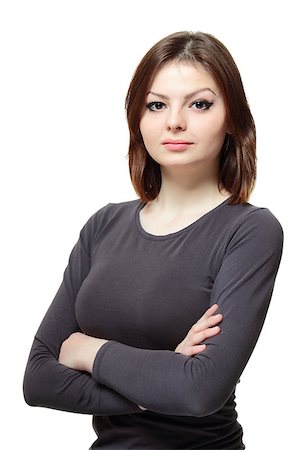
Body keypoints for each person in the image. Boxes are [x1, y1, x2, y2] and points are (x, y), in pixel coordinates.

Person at [23, 31, 283, 450]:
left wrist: (89, 350)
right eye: (156, 104)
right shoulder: (103, 224)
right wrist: (163, 377)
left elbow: (199, 392)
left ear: (232, 117)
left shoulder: (250, 231)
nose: (174, 121)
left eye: (199, 104)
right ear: (137, 118)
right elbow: (37, 380)